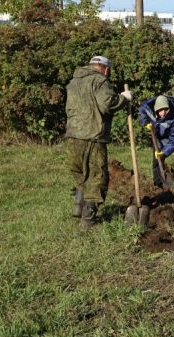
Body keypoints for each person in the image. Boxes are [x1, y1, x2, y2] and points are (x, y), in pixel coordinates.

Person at [64, 55, 132, 228]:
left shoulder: (74, 82)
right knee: (96, 176)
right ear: (106, 69)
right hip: (92, 136)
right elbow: (107, 104)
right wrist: (124, 98)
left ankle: (78, 207)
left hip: (73, 134)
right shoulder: (100, 81)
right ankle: (88, 220)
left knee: (81, 173)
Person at [138, 95, 174, 189]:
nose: (163, 113)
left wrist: (164, 152)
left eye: (166, 110)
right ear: (155, 109)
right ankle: (158, 182)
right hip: (158, 134)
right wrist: (145, 122)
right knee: (156, 156)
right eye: (160, 110)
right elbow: (142, 109)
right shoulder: (148, 107)